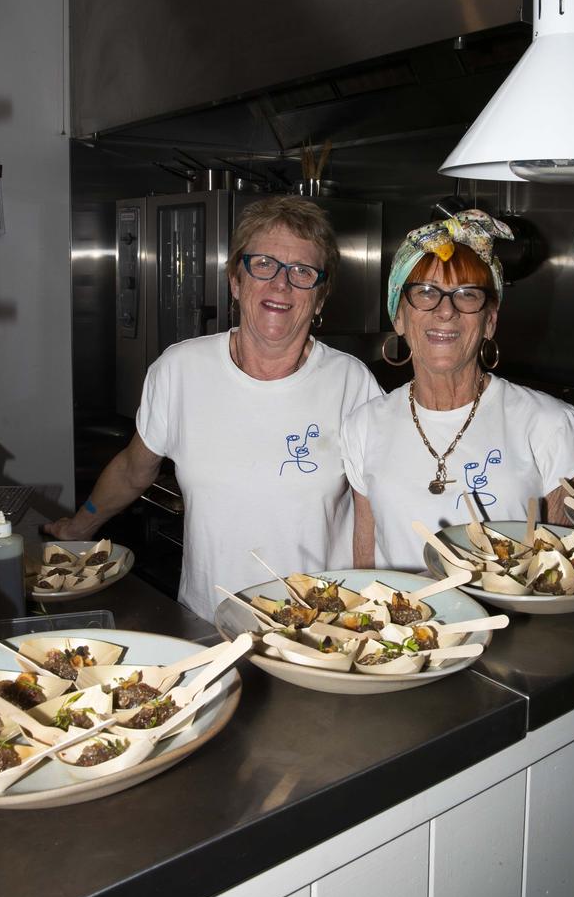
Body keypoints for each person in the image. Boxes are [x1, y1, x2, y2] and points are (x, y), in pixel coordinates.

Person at [46, 196, 381, 622]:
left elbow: (372, 507)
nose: (281, 284)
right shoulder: (180, 370)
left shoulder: (351, 384)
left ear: (319, 299)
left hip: (317, 631)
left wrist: (366, 611)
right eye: (264, 264)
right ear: (236, 281)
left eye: (302, 272)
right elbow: (134, 469)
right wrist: (79, 528)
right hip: (208, 622)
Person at [341, 209, 574, 571]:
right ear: (399, 316)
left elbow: (565, 571)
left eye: (466, 295)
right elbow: (365, 560)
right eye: (425, 292)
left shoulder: (550, 425)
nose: (445, 311)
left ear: (490, 321)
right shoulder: (364, 425)